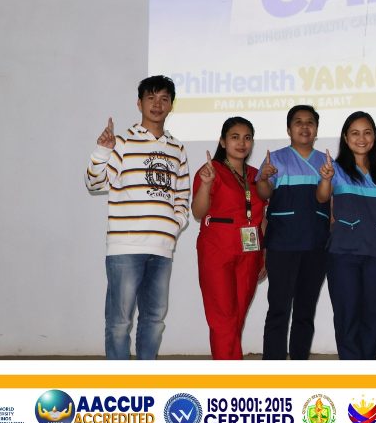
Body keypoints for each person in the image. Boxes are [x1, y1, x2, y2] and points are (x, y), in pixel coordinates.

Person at [84, 75, 190, 360]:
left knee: (154, 321)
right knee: (119, 323)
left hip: (162, 249)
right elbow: (94, 183)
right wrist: (102, 151)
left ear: (171, 105)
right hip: (125, 249)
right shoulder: (122, 142)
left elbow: (182, 196)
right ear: (139, 103)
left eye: (164, 99)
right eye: (151, 98)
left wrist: (174, 225)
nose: (157, 104)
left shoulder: (177, 148)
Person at [316, 111, 376, 360]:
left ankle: (368, 369)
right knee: (347, 315)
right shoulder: (335, 169)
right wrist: (325, 179)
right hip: (343, 254)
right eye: (355, 133)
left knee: (373, 316)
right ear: (345, 137)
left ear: (374, 137)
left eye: (367, 133)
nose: (361, 138)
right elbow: (322, 197)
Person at [256, 105, 330, 360]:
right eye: (298, 122)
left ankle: (299, 364)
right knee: (279, 308)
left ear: (316, 129)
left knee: (304, 311)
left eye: (310, 122)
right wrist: (264, 178)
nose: (304, 127)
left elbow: (329, 200)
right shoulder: (274, 159)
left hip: (315, 245)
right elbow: (264, 193)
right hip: (282, 245)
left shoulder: (326, 162)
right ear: (289, 129)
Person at [192, 117, 267, 359]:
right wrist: (206, 184)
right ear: (223, 142)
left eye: (247, 138)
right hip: (217, 250)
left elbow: (262, 217)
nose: (241, 143)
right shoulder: (210, 171)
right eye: (235, 137)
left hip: (250, 252)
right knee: (223, 319)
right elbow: (198, 212)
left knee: (237, 317)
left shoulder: (256, 176)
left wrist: (264, 254)